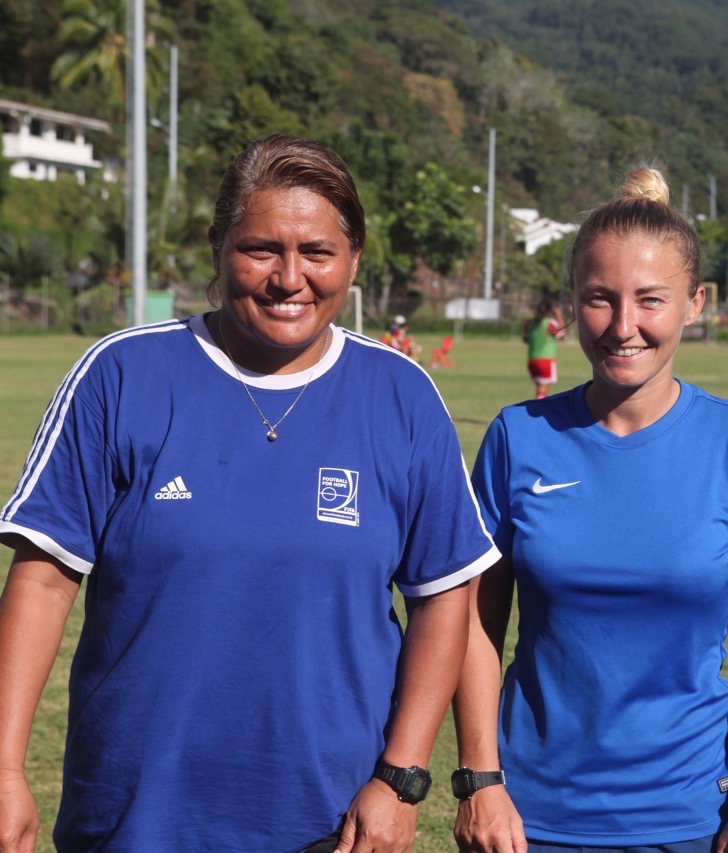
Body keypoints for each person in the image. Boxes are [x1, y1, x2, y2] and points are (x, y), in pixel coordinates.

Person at [0, 134, 500, 851]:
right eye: (261, 248)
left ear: (354, 259)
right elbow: (44, 581)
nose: (288, 277)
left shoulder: (400, 395)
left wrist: (399, 778)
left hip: (331, 822)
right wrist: (5, 767)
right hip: (136, 815)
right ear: (218, 246)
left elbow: (444, 595)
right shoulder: (120, 376)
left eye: (318, 253)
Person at [452, 166, 728, 852]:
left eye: (650, 299)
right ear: (570, 302)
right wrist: (480, 781)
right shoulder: (516, 437)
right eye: (599, 299)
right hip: (530, 818)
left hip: (690, 815)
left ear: (695, 302)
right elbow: (471, 626)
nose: (623, 326)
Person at [523, 297, 565, 399]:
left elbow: (525, 339)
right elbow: (563, 335)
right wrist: (559, 316)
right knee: (543, 391)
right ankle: (537, 412)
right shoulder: (550, 323)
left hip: (532, 360)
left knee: (539, 390)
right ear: (550, 311)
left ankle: (538, 408)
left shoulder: (529, 323)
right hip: (546, 361)